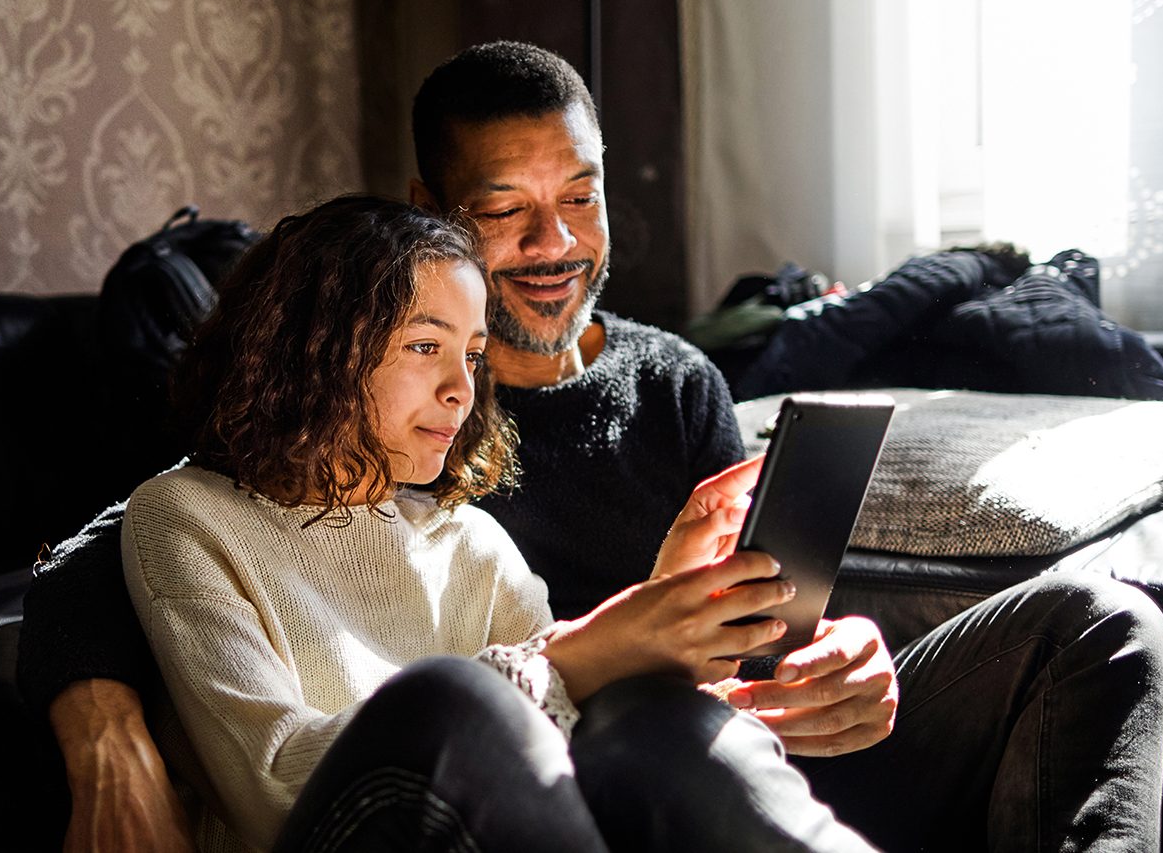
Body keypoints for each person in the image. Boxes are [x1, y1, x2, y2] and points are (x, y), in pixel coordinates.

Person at [21, 41, 1163, 852]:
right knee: (619, 715)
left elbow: (752, 629)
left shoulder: (665, 388)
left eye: (579, 197)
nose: (553, 242)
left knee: (1096, 617)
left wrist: (835, 654)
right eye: (504, 209)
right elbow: (124, 532)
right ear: (431, 211)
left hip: (714, 746)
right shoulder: (346, 423)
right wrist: (101, 721)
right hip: (574, 758)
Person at [123, 193, 873, 851]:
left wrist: (672, 627)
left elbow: (581, 750)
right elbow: (274, 787)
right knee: (449, 701)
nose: (460, 388)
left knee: (648, 720)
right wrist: (575, 655)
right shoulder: (185, 516)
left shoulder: (472, 541)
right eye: (425, 346)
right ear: (312, 347)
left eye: (473, 354)